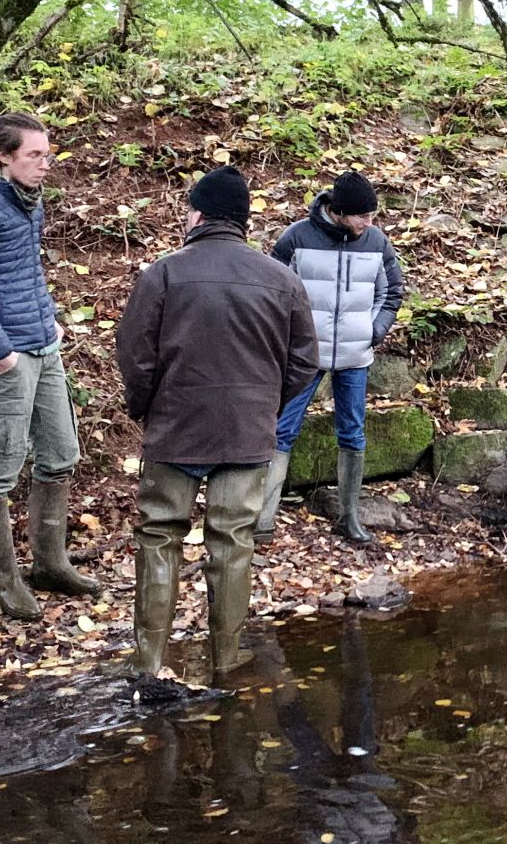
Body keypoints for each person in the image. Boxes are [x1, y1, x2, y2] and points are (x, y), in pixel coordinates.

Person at [115, 166, 318, 684]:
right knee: (233, 542)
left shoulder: (163, 273)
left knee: (160, 535)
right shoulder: (282, 279)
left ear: (198, 214)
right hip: (248, 433)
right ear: (244, 220)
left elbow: (135, 354)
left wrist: (147, 407)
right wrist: (265, 407)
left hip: (177, 428)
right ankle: (226, 660)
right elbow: (304, 363)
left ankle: (147, 662)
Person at [0, 111, 97, 620]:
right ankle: (4, 580)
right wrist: (0, 350)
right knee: (0, 466)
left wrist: (50, 320)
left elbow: (28, 269)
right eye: (35, 155)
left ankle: (51, 564)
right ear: (4, 155)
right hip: (3, 357)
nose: (45, 164)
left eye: (47, 154)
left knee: (60, 451)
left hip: (42, 345)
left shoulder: (28, 202)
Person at [258, 170, 405, 546]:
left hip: (356, 356)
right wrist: (292, 341)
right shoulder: (297, 238)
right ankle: (263, 519)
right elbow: (273, 294)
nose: (369, 223)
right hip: (307, 357)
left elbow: (391, 294)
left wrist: (373, 331)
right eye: (362, 216)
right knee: (283, 430)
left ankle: (349, 518)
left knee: (353, 433)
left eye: (373, 215)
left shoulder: (376, 241)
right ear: (339, 211)